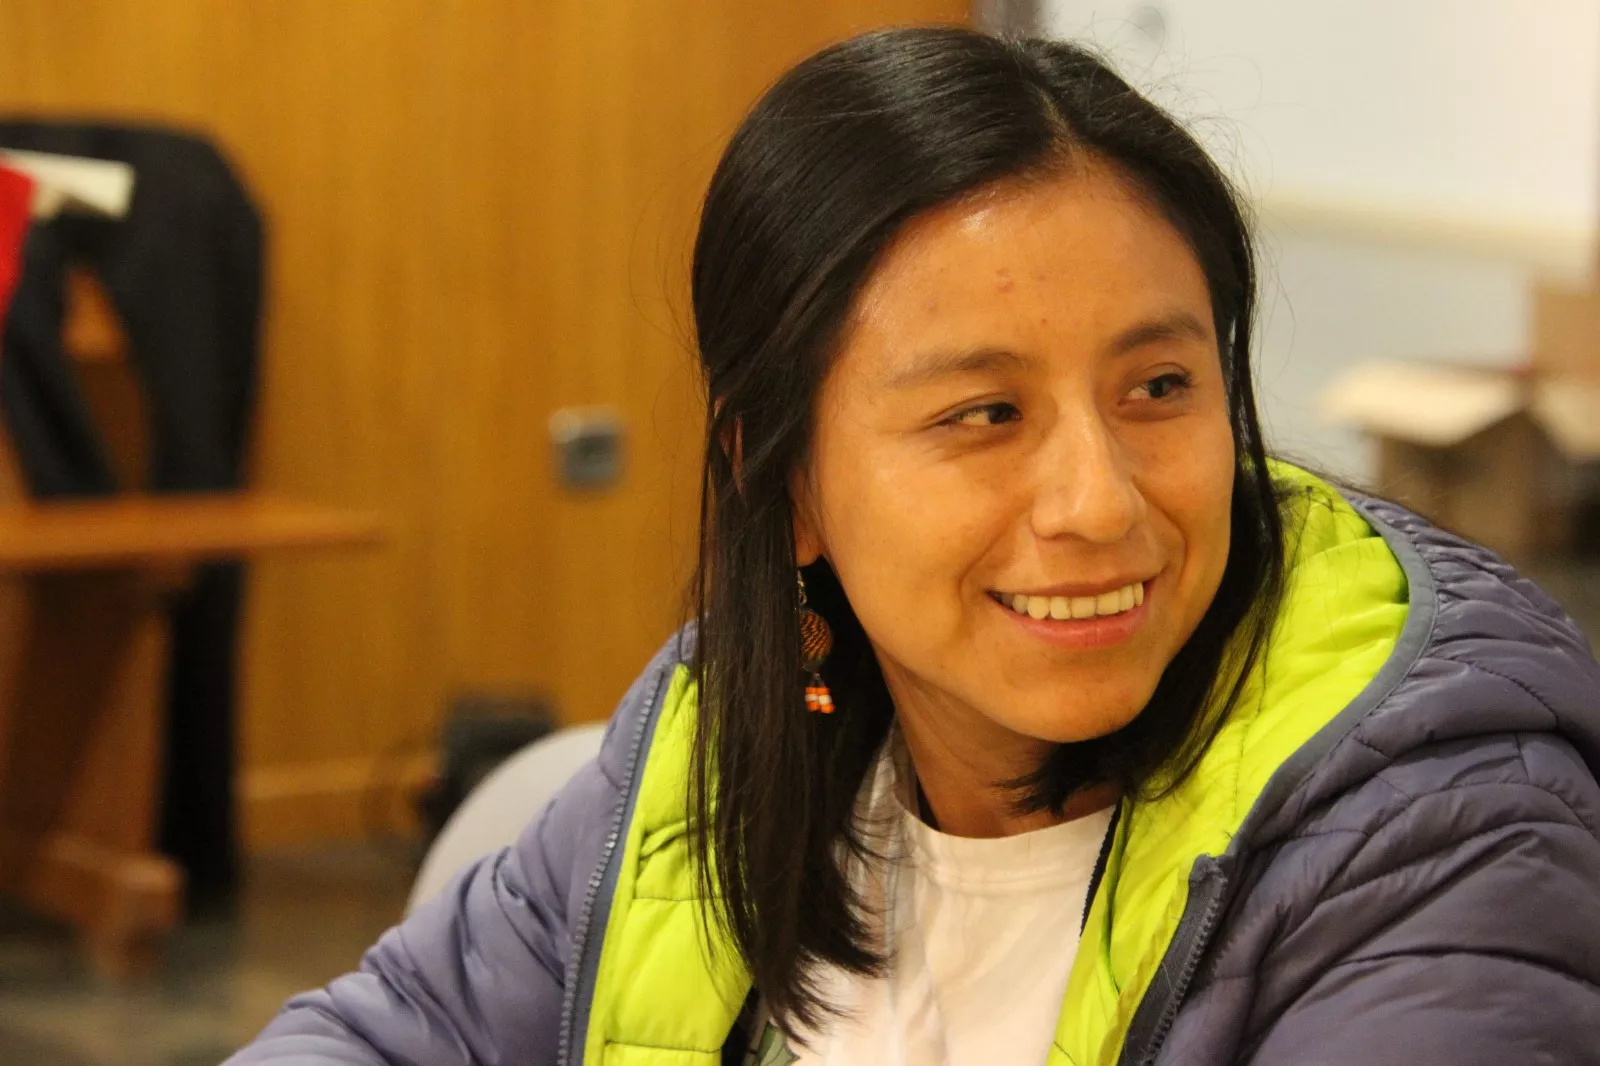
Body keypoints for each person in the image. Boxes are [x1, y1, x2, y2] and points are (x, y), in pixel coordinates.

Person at [226, 26, 1600, 1066]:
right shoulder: (734, 739)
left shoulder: (1438, 821)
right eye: (984, 412)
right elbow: (396, 1026)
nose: (1100, 500)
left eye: (1161, 388)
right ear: (787, 483)